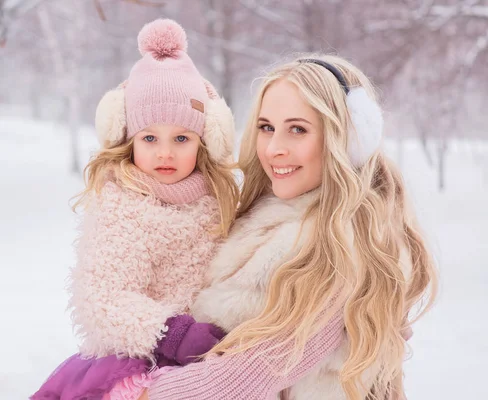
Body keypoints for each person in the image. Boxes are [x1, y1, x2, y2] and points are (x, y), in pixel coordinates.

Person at [132, 54, 438, 400]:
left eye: (298, 129)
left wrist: (134, 392)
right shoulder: (278, 219)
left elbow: (247, 376)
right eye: (266, 128)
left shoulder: (335, 245)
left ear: (346, 139)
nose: (275, 148)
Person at [30, 18, 239, 400]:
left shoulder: (217, 202)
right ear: (127, 137)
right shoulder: (124, 206)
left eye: (181, 137)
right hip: (139, 365)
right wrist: (173, 333)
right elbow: (103, 298)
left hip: (209, 366)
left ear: (206, 139)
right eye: (149, 137)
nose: (165, 152)